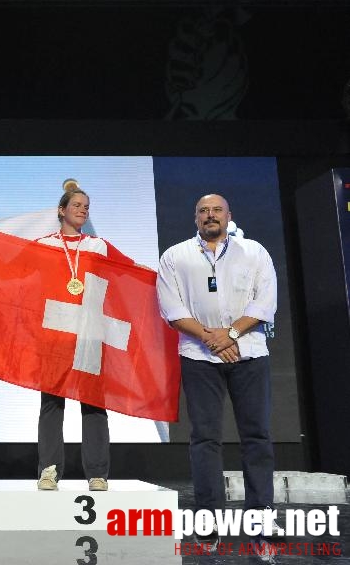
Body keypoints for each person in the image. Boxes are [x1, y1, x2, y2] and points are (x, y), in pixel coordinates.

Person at [0, 186, 136, 491]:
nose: (82, 209)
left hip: (89, 338)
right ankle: (49, 471)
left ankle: (97, 473)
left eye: (86, 206)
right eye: (76, 205)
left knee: (94, 405)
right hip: (53, 337)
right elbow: (8, 265)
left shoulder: (99, 246)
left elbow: (133, 272)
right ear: (61, 210)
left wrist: (166, 275)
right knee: (52, 405)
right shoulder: (44, 246)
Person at [157, 194, 277, 542]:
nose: (210, 216)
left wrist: (231, 334)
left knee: (257, 437)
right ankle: (208, 522)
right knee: (205, 439)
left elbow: (265, 301)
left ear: (229, 216)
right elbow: (171, 308)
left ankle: (260, 519)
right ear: (195, 217)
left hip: (250, 354)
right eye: (203, 211)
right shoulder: (175, 256)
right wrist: (213, 339)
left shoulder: (254, 251)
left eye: (217, 211)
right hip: (198, 357)